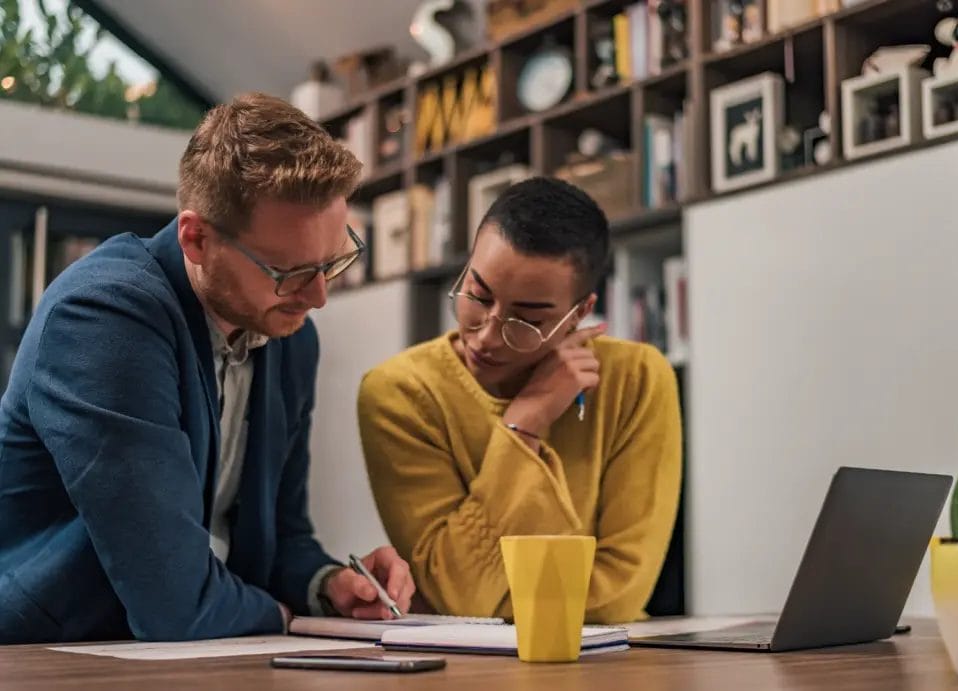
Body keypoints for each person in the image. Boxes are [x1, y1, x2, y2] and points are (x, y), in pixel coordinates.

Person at [0, 93, 414, 644]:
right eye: (290, 272)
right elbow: (172, 599)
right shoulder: (105, 317)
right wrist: (289, 618)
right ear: (196, 238)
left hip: (202, 650)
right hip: (52, 656)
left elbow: (278, 535)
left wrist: (328, 585)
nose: (317, 297)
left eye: (333, 261)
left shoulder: (289, 337)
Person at [358, 177, 681, 624]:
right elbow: (456, 597)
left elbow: (620, 594)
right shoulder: (400, 393)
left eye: (528, 319)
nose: (487, 336)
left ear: (580, 313)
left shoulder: (638, 379)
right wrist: (524, 424)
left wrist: (496, 607)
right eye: (477, 294)